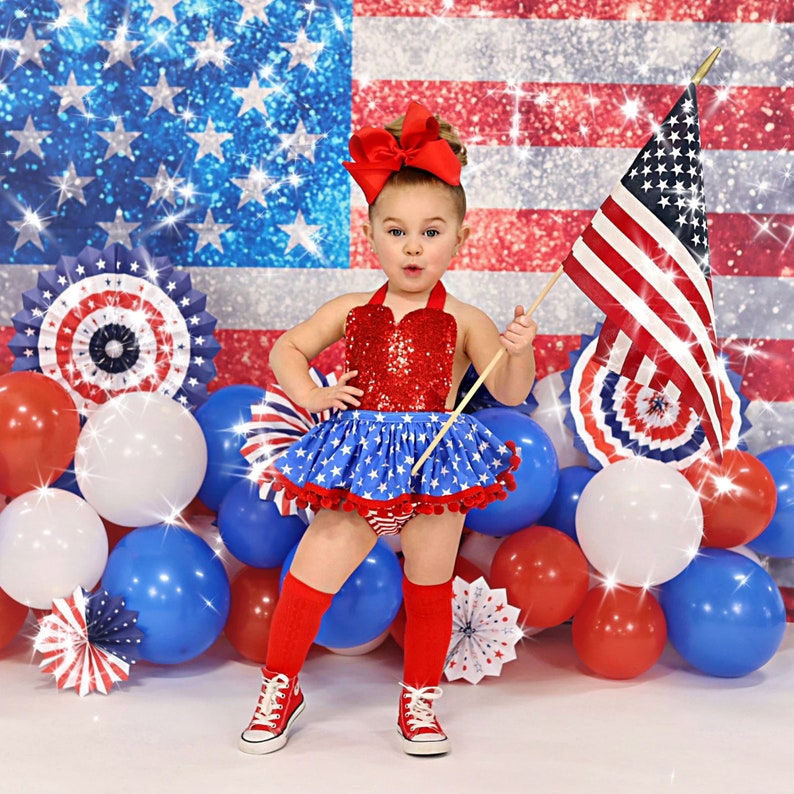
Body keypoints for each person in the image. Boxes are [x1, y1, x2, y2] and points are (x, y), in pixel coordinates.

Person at [238, 100, 538, 757]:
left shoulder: (465, 318)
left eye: (431, 232)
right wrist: (312, 393)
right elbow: (287, 349)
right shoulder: (350, 308)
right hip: (358, 459)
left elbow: (512, 394)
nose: (412, 246)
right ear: (370, 234)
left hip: (435, 459)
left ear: (461, 238)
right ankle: (280, 686)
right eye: (396, 231)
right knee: (312, 574)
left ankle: (419, 703)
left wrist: (521, 348)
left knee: (428, 584)